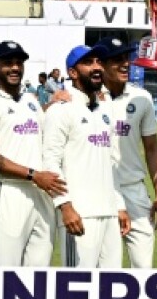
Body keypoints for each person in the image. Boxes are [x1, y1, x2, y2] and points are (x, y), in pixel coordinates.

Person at [42, 45, 129, 268]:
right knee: (77, 287)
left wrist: (118, 205)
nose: (97, 67)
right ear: (72, 73)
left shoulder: (105, 110)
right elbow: (50, 161)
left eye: (99, 62)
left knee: (112, 288)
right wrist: (65, 206)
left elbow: (111, 163)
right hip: (79, 214)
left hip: (108, 213)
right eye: (88, 63)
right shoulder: (60, 110)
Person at [0, 41, 65, 266]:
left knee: (39, 272)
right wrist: (34, 175)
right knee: (4, 274)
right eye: (8, 63)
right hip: (9, 192)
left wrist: (54, 105)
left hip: (42, 192)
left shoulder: (30, 100)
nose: (15, 68)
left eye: (19, 63)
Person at [93, 36, 157, 269]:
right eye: (116, 60)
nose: (125, 64)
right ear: (101, 64)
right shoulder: (87, 98)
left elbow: (152, 148)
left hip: (135, 190)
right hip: (101, 190)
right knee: (107, 269)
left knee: (144, 269)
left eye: (127, 58)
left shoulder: (142, 98)